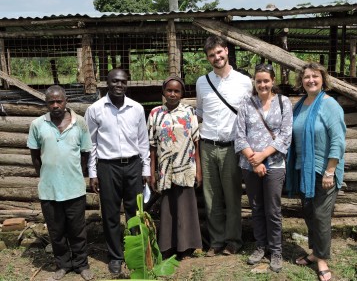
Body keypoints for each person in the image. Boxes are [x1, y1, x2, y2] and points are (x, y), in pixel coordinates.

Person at [84, 68, 150, 275]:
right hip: (107, 166)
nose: (118, 85)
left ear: (127, 84)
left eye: (122, 82)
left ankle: (135, 253)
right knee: (111, 214)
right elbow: (91, 144)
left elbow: (143, 142)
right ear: (107, 83)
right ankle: (115, 257)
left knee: (135, 213)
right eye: (114, 82)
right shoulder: (95, 110)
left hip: (133, 165)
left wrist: (145, 168)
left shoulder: (137, 109)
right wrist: (93, 173)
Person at [286, 62, 346, 281]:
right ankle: (315, 252)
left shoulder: (330, 105)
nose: (310, 80)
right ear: (301, 80)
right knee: (310, 213)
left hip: (324, 170)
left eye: (315, 76)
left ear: (323, 79)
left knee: (321, 215)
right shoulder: (300, 105)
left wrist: (331, 170)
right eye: (306, 77)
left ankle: (322, 259)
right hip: (304, 169)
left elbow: (338, 141)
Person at [27, 85, 94, 281]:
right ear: (46, 103)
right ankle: (62, 265)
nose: (55, 105)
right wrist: (48, 175)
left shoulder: (79, 123)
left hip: (74, 188)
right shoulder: (37, 125)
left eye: (59, 101)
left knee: (78, 230)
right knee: (56, 231)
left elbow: (85, 153)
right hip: (49, 190)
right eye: (51, 102)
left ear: (66, 101)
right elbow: (35, 156)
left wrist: (74, 174)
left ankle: (81, 265)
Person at [196, 35, 253, 256]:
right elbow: (200, 112)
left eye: (219, 52)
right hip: (207, 145)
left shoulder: (244, 81)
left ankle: (233, 241)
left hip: (232, 146)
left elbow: (250, 115)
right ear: (208, 58)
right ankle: (216, 241)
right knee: (211, 197)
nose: (216, 57)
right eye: (211, 55)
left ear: (227, 51)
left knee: (232, 196)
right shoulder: (203, 82)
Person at [235, 63, 293, 272]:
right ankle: (261, 246)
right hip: (249, 165)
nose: (262, 84)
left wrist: (263, 157)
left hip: (275, 164)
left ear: (273, 81)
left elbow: (286, 136)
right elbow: (239, 136)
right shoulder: (246, 104)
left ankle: (276, 250)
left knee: (273, 209)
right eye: (258, 81)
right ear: (254, 82)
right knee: (257, 207)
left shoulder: (284, 103)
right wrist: (253, 159)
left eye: (266, 80)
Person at [147, 75, 203, 260]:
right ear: (163, 92)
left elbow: (196, 143)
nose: (172, 94)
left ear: (182, 93)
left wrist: (199, 171)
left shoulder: (189, 112)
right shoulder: (155, 113)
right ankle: (167, 247)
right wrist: (152, 172)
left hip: (186, 166)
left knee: (185, 206)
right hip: (165, 169)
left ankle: (186, 248)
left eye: (176, 91)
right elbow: (152, 146)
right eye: (169, 90)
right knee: (168, 207)